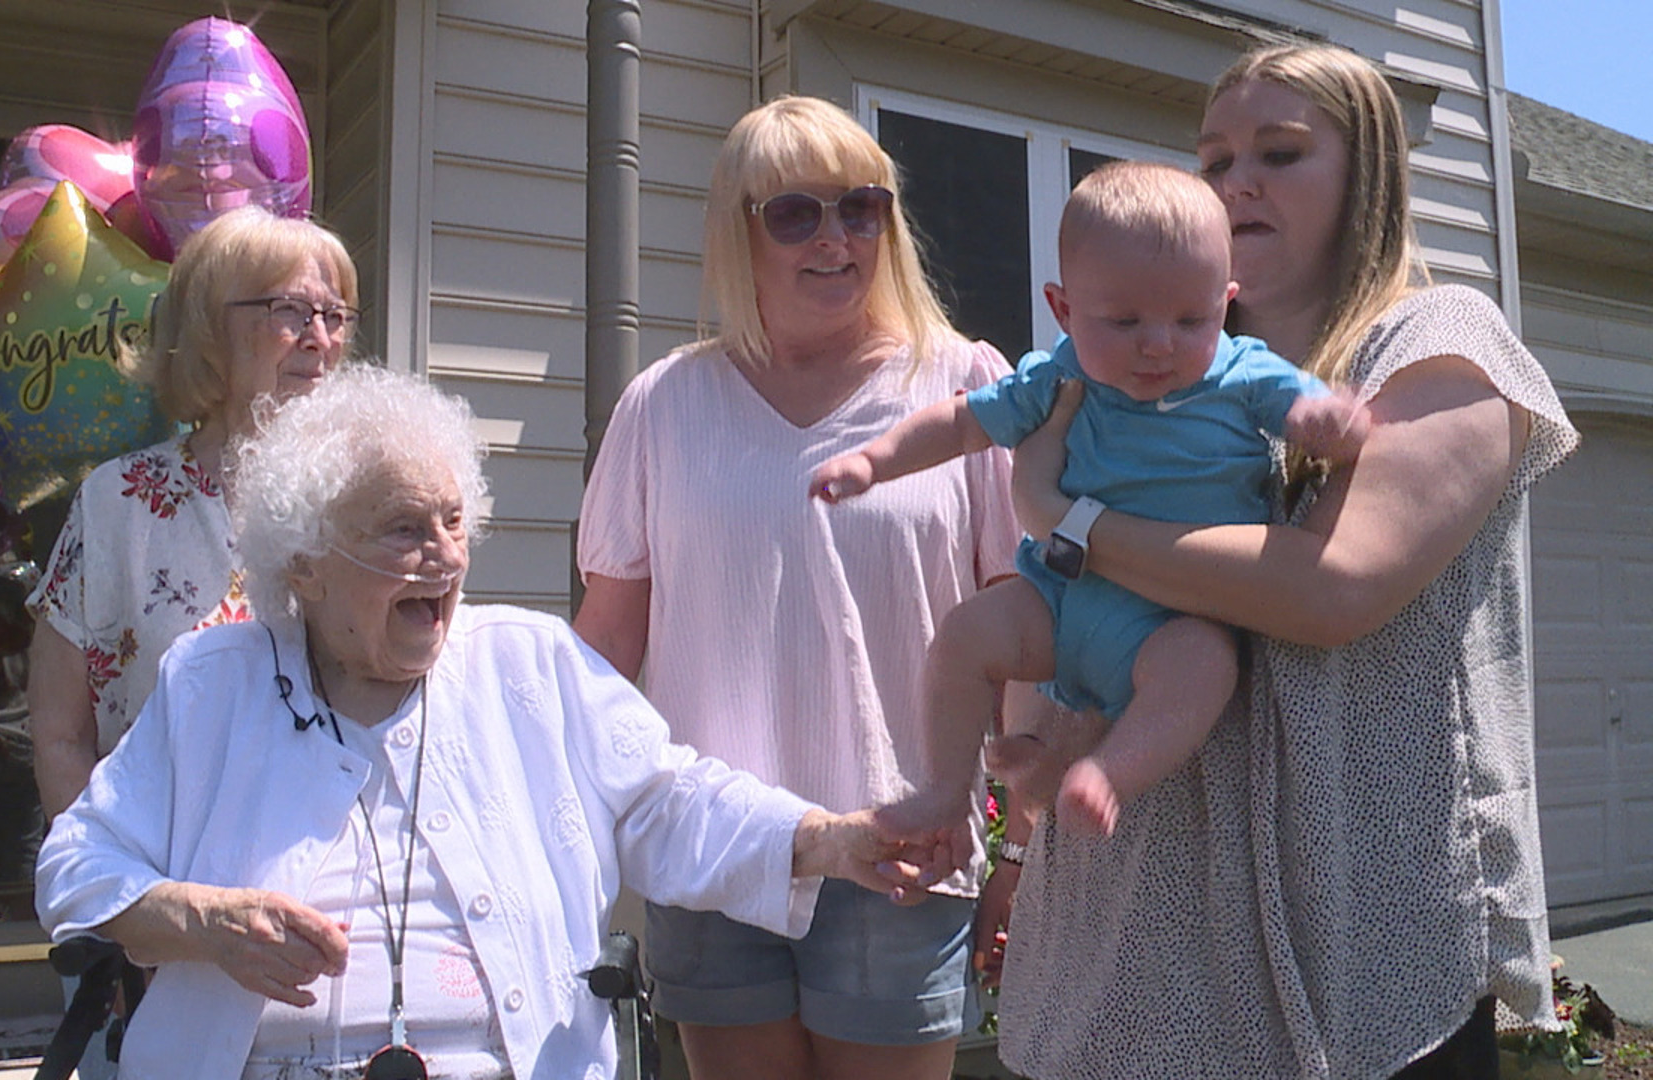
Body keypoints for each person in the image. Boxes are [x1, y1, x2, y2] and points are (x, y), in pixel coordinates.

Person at [35, 364, 939, 1080]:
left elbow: (669, 800)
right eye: (401, 529)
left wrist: (824, 838)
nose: (444, 554)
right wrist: (199, 920)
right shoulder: (213, 682)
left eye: (455, 520)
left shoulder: (527, 664)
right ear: (304, 566)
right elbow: (78, 863)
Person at [981, 43, 1581, 1080]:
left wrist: (1064, 515)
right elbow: (1080, 611)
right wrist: (1045, 748)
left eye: (1280, 151)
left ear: (1370, 175)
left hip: (1368, 946)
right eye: (1215, 159)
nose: (1236, 179)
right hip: (1138, 945)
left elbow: (1330, 588)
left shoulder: (1439, 346)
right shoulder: (1145, 376)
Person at [574, 95, 1022, 1080]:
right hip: (712, 860)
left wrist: (1024, 848)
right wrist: (562, 830)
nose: (836, 239)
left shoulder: (969, 390)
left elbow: (1024, 637)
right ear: (741, 232)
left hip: (907, 854)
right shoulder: (662, 405)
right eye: (795, 214)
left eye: (861, 208)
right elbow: (602, 651)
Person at [812, 161, 1370, 837]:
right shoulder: (1057, 374)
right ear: (1064, 311)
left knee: (1204, 669)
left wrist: (1329, 424)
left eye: (1191, 318)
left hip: (1174, 612)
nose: (1159, 343)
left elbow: (1306, 409)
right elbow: (962, 423)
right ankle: (942, 791)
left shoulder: (1242, 369)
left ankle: (1107, 773)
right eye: (1125, 320)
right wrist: (875, 461)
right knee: (961, 636)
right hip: (1059, 598)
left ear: (1226, 301)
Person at [26, 207, 360, 819]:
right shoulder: (120, 503)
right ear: (209, 327)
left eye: (335, 315)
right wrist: (106, 889)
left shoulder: (366, 497)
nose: (321, 338)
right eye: (289, 310)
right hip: (165, 882)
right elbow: (59, 733)